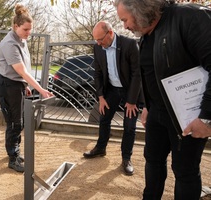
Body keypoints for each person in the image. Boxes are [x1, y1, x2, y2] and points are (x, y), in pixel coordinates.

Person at [114, 0, 211, 199]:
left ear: (140, 11)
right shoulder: (145, 36)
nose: (124, 26)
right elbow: (152, 74)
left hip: (188, 117)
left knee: (185, 170)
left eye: (124, 20)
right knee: (152, 160)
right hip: (157, 113)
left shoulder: (190, 18)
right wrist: (148, 105)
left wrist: (207, 117)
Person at [0, 4, 54, 173]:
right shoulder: (9, 43)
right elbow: (22, 71)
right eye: (26, 29)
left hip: (16, 84)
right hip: (7, 85)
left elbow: (24, 71)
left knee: (18, 121)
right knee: (15, 122)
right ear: (16, 26)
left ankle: (15, 152)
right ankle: (13, 158)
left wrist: (25, 85)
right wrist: (41, 90)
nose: (29, 33)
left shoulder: (21, 40)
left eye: (30, 29)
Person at [83, 21, 142, 176]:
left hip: (130, 91)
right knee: (104, 119)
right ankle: (100, 148)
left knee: (129, 126)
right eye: (96, 40)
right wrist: (101, 97)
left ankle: (126, 158)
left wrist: (131, 101)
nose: (98, 43)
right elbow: (97, 73)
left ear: (110, 33)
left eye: (100, 39)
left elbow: (137, 74)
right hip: (111, 90)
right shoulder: (98, 48)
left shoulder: (129, 44)